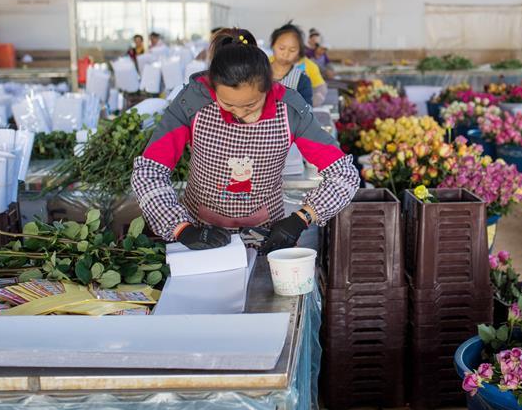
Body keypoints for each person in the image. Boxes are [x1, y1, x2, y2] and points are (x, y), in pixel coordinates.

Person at [131, 28, 359, 253]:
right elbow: (149, 172)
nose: (239, 113)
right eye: (228, 104)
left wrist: (302, 218)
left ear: (268, 87)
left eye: (251, 105)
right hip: (199, 235)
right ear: (213, 87)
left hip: (267, 236)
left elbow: (344, 174)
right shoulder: (192, 102)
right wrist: (181, 229)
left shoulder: (290, 109)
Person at [270, 22, 313, 106]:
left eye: (292, 50)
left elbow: (307, 109)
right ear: (273, 45)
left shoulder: (302, 80)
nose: (286, 54)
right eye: (281, 48)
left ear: (299, 53)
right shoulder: (259, 72)